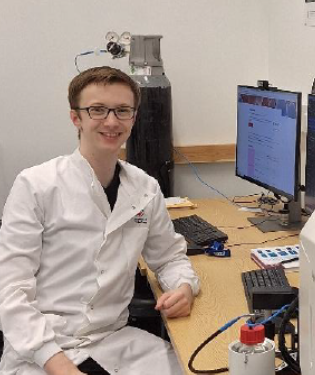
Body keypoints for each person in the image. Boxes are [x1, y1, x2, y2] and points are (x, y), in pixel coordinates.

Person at [0, 66, 199, 375]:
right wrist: (61, 367)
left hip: (113, 339)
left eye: (122, 111)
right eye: (97, 110)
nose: (111, 121)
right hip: (42, 349)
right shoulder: (36, 185)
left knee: (194, 367)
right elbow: (10, 291)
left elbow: (169, 257)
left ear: (134, 118)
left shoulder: (145, 188)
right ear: (75, 117)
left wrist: (184, 288)